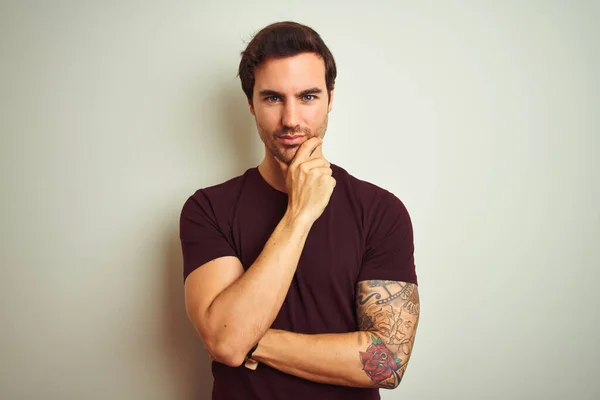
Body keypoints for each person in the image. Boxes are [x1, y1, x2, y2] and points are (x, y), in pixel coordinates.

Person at [180, 21, 420, 400]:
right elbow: (225, 344)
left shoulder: (380, 212)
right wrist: (300, 213)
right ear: (250, 103)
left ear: (330, 97)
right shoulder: (207, 209)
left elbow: (387, 362)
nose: (291, 119)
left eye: (308, 96)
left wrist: (249, 339)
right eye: (273, 98)